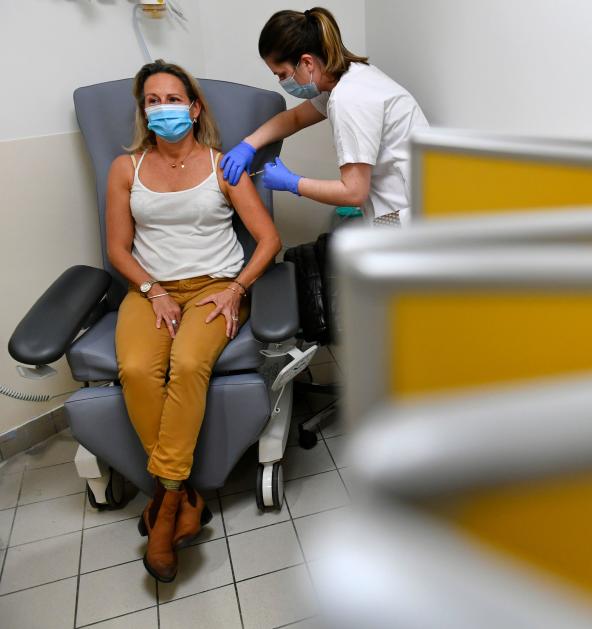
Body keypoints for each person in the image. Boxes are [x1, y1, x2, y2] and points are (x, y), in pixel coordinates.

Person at [105, 60, 282, 582]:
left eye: (172, 99)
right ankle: (181, 497)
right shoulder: (126, 169)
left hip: (215, 287)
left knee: (186, 364)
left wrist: (236, 289)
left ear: (195, 106)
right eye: (152, 101)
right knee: (136, 369)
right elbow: (117, 248)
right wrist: (151, 290)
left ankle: (164, 507)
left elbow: (268, 239)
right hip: (151, 290)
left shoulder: (222, 164)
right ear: (143, 110)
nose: (163, 109)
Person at [220, 7, 429, 225]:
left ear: (307, 63)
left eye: (282, 74)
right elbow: (295, 119)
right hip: (406, 208)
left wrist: (293, 183)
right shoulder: (349, 78)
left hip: (407, 218)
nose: (281, 82)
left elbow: (353, 193)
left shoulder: (349, 98)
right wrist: (248, 145)